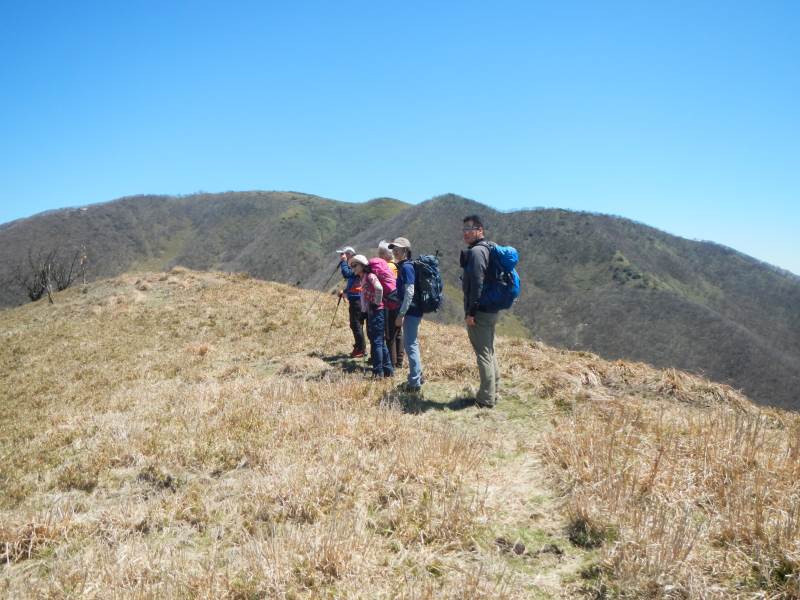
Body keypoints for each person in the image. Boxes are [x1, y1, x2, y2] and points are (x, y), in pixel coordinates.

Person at [460, 215, 499, 407]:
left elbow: (477, 284)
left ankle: (485, 398)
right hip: (491, 308)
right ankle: (494, 390)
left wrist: (471, 312)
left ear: (480, 230)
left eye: (470, 229)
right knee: (489, 350)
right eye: (464, 230)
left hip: (480, 311)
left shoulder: (476, 252)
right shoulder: (488, 249)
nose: (466, 233)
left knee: (483, 353)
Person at [389, 237, 424, 391]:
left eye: (398, 249)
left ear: (406, 250)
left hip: (411, 311)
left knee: (410, 345)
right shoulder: (404, 266)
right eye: (393, 248)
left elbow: (410, 292)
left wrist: (401, 314)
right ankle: (418, 376)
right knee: (412, 344)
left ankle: (414, 382)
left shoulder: (407, 267)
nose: (395, 251)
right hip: (413, 310)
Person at [350, 254, 394, 378]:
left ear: (362, 265)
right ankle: (388, 370)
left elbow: (379, 288)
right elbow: (364, 297)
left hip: (377, 311)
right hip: (373, 311)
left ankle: (378, 372)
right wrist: (364, 312)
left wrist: (376, 303)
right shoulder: (363, 277)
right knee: (380, 341)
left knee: (377, 342)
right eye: (352, 266)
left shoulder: (370, 276)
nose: (353, 268)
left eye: (355, 265)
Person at [337, 246, 366, 358]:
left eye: (344, 254)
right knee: (355, 324)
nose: (342, 256)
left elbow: (347, 274)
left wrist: (344, 262)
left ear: (349, 254)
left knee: (356, 324)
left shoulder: (357, 265)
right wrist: (345, 291)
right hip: (355, 298)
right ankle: (360, 347)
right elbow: (352, 282)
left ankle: (361, 349)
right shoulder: (355, 266)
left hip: (357, 299)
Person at [379, 240, 403, 368]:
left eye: (380, 254)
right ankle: (399, 360)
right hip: (399, 302)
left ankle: (391, 364)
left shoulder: (386, 267)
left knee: (390, 335)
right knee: (398, 333)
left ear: (384, 255)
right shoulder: (398, 265)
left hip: (389, 303)